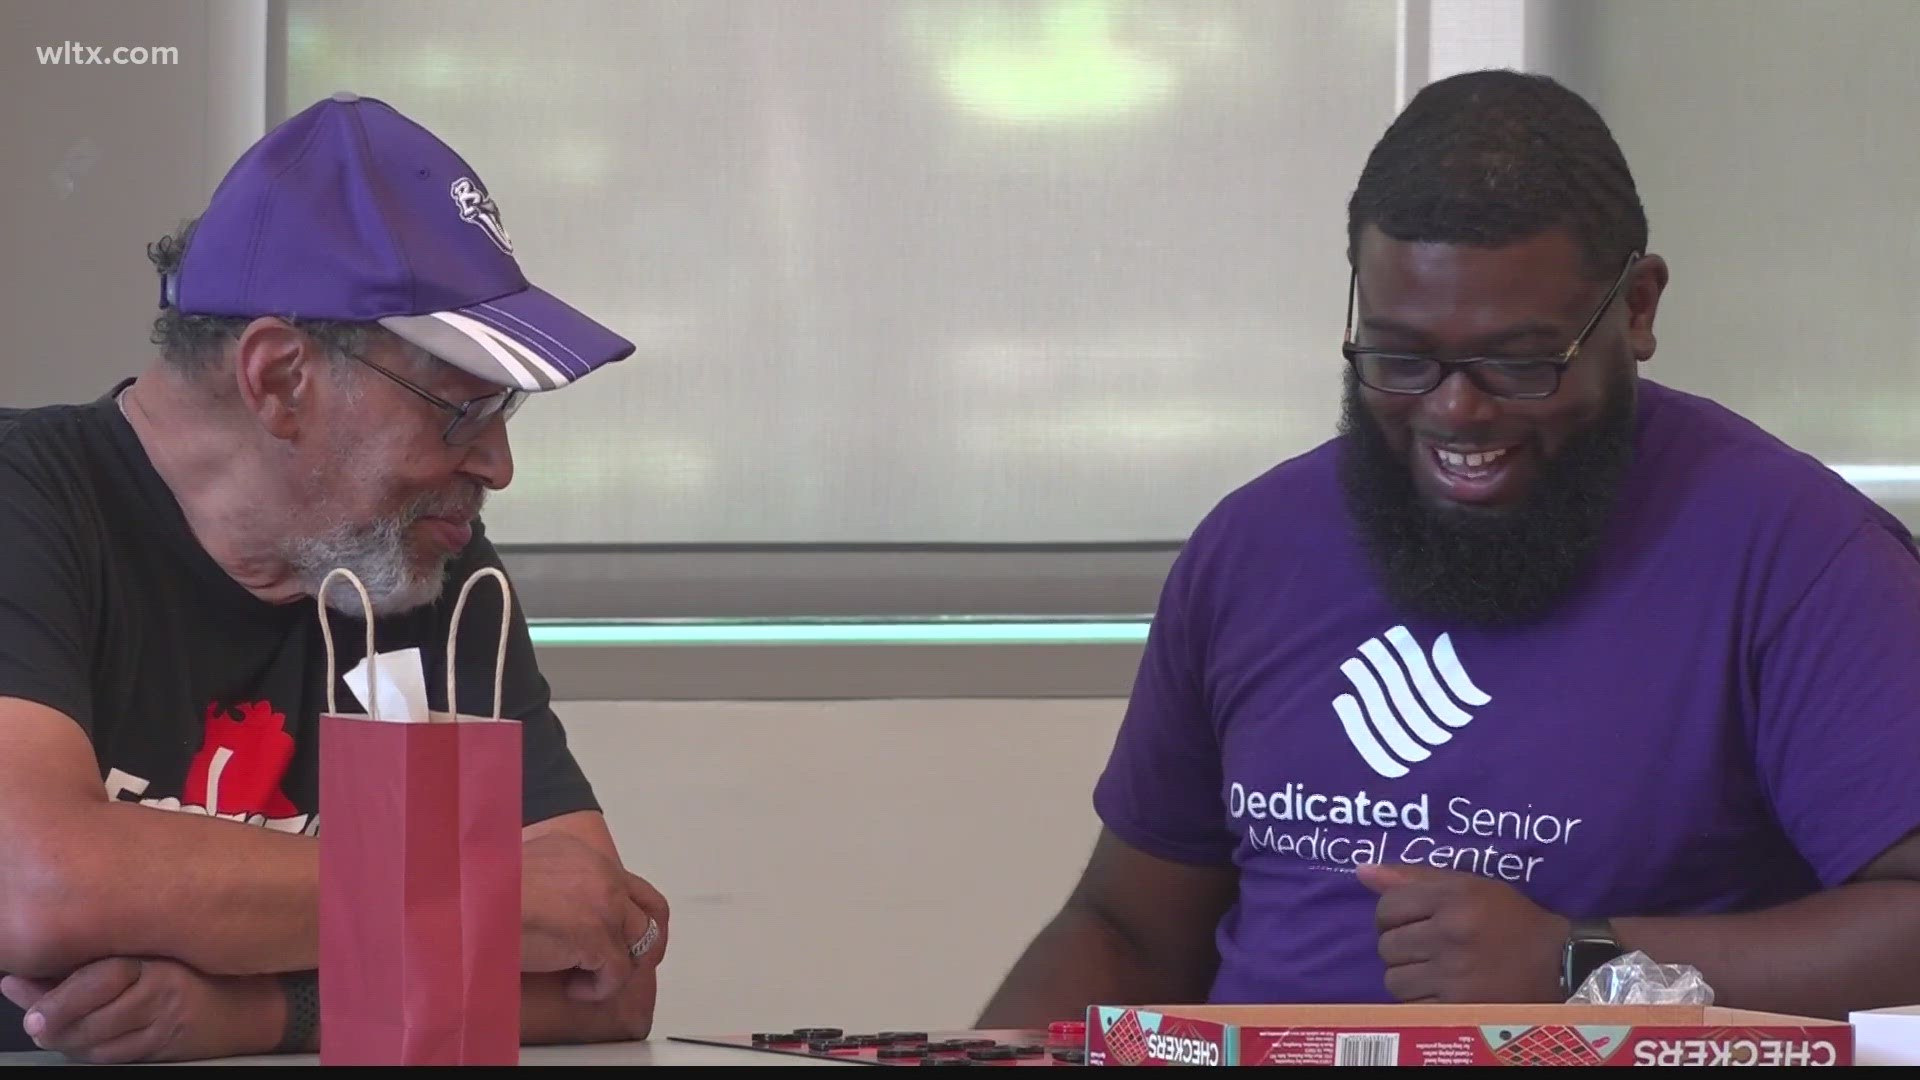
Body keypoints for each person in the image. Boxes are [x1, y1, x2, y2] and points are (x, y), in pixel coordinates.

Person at [978, 69, 1920, 1028]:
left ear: (1636, 309)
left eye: (1518, 362)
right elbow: (1128, 927)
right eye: (1400, 357)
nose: (1455, 410)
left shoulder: (1798, 558)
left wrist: (1582, 965)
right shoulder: (1256, 547)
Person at [0, 92, 669, 1062]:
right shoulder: (31, 508)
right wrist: (485, 897)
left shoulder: (425, 566)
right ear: (280, 378)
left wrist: (259, 1014)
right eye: (461, 411)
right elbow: (38, 885)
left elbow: (600, 978)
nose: (495, 467)